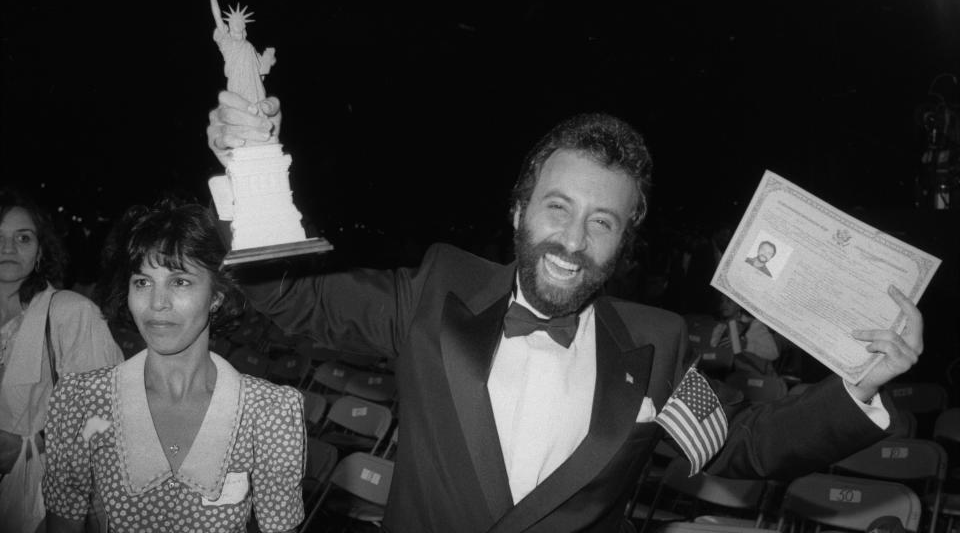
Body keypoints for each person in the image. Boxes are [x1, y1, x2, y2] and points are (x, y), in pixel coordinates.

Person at [209, 94, 923, 533]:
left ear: (623, 243)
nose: (575, 242)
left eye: (602, 223)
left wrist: (858, 386)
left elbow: (740, 446)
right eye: (559, 208)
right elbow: (287, 295)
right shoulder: (435, 290)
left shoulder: (658, 344)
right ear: (520, 210)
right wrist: (252, 164)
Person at [42, 199, 306, 533]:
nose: (157, 303)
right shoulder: (81, 401)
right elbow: (63, 524)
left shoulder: (269, 413)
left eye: (179, 281)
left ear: (217, 295)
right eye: (142, 282)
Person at [0, 187, 123, 533]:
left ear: (40, 251)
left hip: (52, 506)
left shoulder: (72, 313)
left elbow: (108, 415)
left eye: (23, 238)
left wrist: (30, 447)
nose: (8, 248)